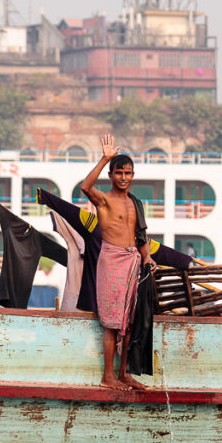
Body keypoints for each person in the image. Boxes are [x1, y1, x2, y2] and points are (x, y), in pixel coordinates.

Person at [80, 135, 156, 390]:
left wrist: (147, 257)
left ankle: (123, 374)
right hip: (112, 260)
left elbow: (141, 235)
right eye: (119, 172)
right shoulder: (104, 200)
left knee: (131, 320)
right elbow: (85, 187)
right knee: (113, 321)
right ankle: (108, 377)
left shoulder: (136, 203)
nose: (124, 177)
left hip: (133, 261)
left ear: (133, 175)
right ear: (111, 175)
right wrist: (104, 158)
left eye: (128, 173)